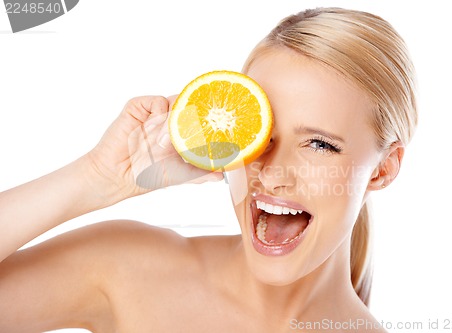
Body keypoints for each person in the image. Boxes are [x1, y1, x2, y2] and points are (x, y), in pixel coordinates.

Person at [0, 7, 417, 333]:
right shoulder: (129, 272)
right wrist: (95, 178)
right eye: (259, 134)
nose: (271, 174)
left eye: (319, 144)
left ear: (382, 169)